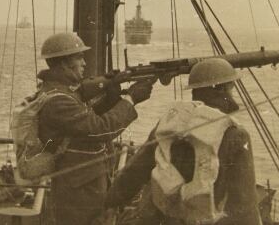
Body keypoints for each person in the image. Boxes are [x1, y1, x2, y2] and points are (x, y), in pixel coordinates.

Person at [104, 58, 262, 225]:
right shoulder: (235, 135)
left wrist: (109, 202)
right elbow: (245, 206)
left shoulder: (168, 125)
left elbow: (135, 172)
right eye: (231, 87)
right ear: (221, 89)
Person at [35, 32, 154, 225]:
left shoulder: (62, 93)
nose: (84, 64)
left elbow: (85, 121)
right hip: (78, 191)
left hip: (83, 183)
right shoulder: (57, 101)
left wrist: (112, 98)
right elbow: (99, 129)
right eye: (79, 58)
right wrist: (130, 100)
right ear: (64, 64)